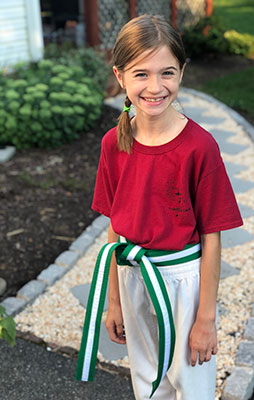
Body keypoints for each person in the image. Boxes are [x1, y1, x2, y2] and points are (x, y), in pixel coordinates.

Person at [76, 14, 243, 400]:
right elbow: (115, 227)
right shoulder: (112, 144)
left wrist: (205, 317)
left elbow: (212, 237)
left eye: (167, 72)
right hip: (133, 276)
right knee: (148, 381)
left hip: (182, 282)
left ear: (181, 72)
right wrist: (113, 302)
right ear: (120, 76)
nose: (155, 86)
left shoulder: (199, 148)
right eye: (141, 74)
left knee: (192, 383)